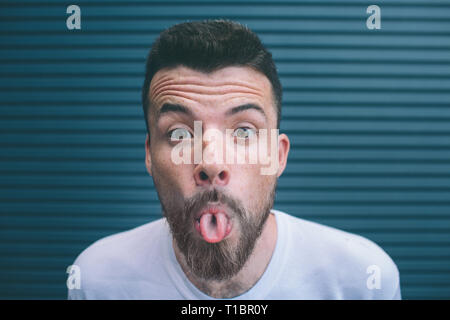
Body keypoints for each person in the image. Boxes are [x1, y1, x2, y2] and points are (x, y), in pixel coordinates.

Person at [67, 20, 401, 300]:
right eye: (179, 134)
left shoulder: (362, 281)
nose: (211, 163)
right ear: (149, 156)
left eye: (243, 132)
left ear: (278, 155)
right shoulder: (96, 281)